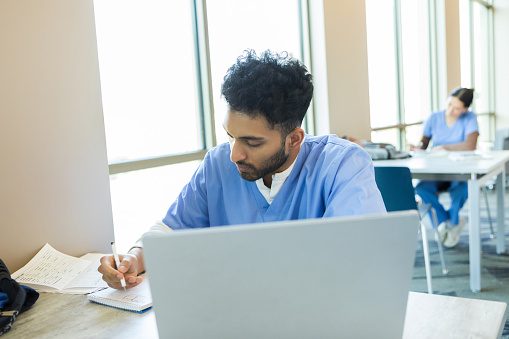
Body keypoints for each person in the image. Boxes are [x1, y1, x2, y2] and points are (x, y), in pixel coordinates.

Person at [98, 49, 386, 289]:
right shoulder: (217, 164)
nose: (235, 154)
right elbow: (169, 231)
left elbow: (358, 258)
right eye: (230, 136)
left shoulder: (342, 165)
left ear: (294, 138)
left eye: (252, 141)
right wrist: (134, 257)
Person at [411, 87, 478, 248]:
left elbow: (471, 145)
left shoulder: (470, 118)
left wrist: (444, 147)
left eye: (456, 108)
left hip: (459, 172)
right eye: (449, 104)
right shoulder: (434, 117)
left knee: (461, 190)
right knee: (421, 189)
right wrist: (419, 147)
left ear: (465, 109)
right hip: (437, 172)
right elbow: (424, 143)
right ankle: (445, 223)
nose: (450, 110)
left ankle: (451, 223)